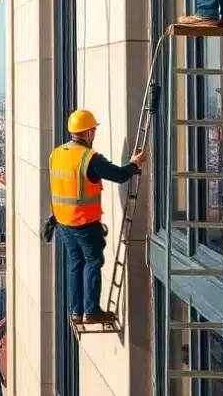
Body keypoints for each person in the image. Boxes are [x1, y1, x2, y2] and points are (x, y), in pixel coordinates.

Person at [48, 109, 146, 325]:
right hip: (83, 222)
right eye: (93, 131)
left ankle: (76, 311)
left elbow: (60, 187)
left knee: (76, 263)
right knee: (93, 261)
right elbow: (120, 175)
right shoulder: (89, 158)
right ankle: (91, 311)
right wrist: (135, 164)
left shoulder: (57, 153)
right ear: (88, 132)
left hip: (63, 222)